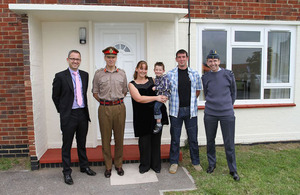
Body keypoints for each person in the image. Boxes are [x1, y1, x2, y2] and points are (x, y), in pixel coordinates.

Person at [52, 50, 96, 185]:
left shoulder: (85, 75)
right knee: (67, 145)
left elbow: (82, 93)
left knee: (81, 142)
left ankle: (84, 166)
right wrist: (64, 111)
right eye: (72, 59)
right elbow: (55, 96)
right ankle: (66, 172)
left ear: (80, 60)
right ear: (68, 60)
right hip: (69, 115)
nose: (75, 61)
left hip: (82, 113)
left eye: (77, 59)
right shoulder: (60, 76)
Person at [201, 50, 240, 181]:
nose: (213, 63)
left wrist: (228, 105)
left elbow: (233, 92)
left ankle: (233, 169)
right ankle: (212, 165)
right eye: (210, 61)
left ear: (219, 61)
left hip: (226, 113)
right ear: (207, 62)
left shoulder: (228, 74)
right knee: (210, 141)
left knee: (229, 142)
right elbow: (207, 93)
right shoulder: (205, 77)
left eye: (215, 61)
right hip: (210, 113)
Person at [92, 46, 128, 178]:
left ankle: (118, 165)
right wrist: (104, 102)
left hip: (119, 108)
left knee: (119, 138)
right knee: (105, 138)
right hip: (104, 108)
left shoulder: (122, 73)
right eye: (108, 57)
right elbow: (95, 92)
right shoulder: (99, 74)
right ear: (105, 58)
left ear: (116, 58)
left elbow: (124, 91)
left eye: (113, 57)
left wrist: (115, 101)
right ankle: (108, 166)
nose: (111, 59)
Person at [128, 60, 169, 174]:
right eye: (141, 68)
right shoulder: (132, 84)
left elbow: (163, 90)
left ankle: (156, 165)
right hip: (142, 117)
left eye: (145, 69)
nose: (143, 71)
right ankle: (145, 165)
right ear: (137, 69)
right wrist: (156, 98)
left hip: (156, 116)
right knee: (144, 142)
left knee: (156, 141)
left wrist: (164, 96)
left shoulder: (153, 80)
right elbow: (139, 98)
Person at [167, 49, 202, 174]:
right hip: (175, 111)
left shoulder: (194, 73)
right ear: (176, 59)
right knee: (175, 138)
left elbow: (198, 90)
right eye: (179, 57)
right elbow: (166, 91)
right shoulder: (170, 74)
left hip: (191, 111)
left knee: (193, 138)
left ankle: (196, 162)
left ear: (187, 58)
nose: (181, 59)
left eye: (183, 57)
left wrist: (190, 102)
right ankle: (174, 162)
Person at [152, 62, 171, 134]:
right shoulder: (157, 78)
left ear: (163, 71)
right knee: (156, 107)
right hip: (159, 96)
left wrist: (156, 88)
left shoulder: (164, 78)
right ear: (154, 70)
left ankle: (159, 123)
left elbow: (165, 87)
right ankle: (157, 121)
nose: (158, 71)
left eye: (160, 70)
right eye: (156, 69)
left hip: (164, 95)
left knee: (156, 107)